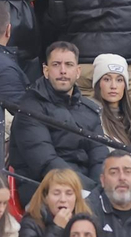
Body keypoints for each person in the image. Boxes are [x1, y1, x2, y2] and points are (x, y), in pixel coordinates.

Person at [10, 43, 106, 200]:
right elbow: (46, 163)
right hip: (43, 189)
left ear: (78, 71)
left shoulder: (89, 109)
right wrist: (93, 193)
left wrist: (99, 190)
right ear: (46, 70)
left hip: (89, 188)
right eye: (56, 64)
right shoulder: (29, 109)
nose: (63, 71)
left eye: (69, 65)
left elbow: (100, 158)